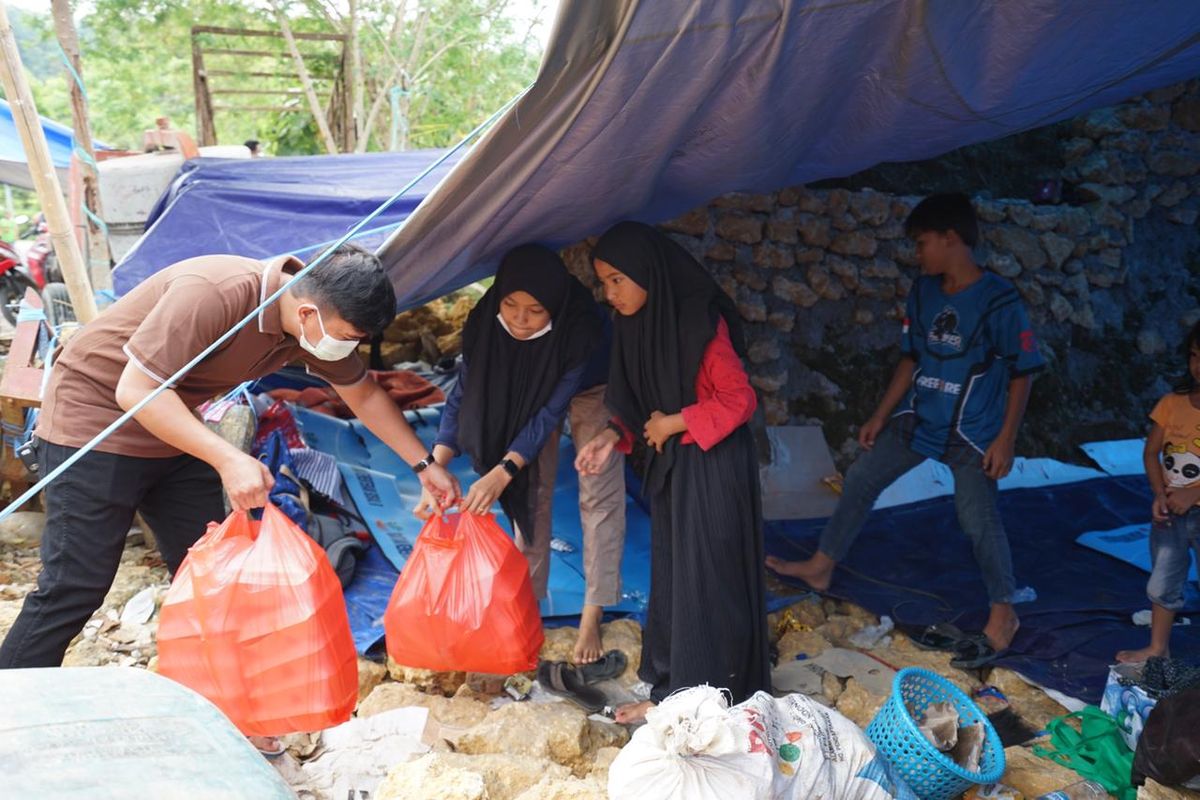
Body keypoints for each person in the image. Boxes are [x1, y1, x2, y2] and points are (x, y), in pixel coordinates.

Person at [0, 244, 460, 749]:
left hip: (172, 426)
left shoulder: (308, 324)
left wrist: (424, 465)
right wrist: (227, 458)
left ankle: (230, 713)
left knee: (214, 576)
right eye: (348, 338)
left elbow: (365, 394)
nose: (345, 348)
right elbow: (135, 391)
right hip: (94, 421)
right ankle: (11, 710)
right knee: (76, 584)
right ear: (308, 312)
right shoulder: (214, 293)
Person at [766, 193, 1045, 669]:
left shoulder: (999, 300)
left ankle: (1004, 612)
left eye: (922, 243)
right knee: (861, 477)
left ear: (952, 239)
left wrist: (1006, 438)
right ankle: (821, 566)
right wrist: (880, 414)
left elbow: (1024, 371)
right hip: (920, 417)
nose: (917, 253)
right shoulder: (924, 291)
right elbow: (911, 358)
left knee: (976, 517)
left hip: (974, 431)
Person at [575, 221, 770, 723]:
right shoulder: (637, 324)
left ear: (648, 274)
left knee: (706, 580)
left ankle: (696, 698)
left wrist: (676, 421)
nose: (609, 293)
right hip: (678, 465)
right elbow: (640, 406)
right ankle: (672, 685)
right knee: (677, 578)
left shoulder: (697, 322)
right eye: (604, 282)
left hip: (714, 466)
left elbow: (739, 399)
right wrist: (608, 439)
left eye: (618, 279)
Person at [416, 244, 626, 664]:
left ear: (553, 305)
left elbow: (550, 411)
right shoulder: (485, 322)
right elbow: (464, 395)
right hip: (525, 384)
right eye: (510, 305)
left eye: (534, 310)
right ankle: (526, 605)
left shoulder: (579, 329)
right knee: (533, 492)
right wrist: (435, 465)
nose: (519, 319)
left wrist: (503, 469)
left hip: (589, 383)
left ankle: (592, 613)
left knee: (596, 489)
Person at [1117, 321, 1200, 663]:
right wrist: (1159, 493)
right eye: (1194, 355)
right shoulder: (1171, 403)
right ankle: (1157, 648)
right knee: (1162, 582)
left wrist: (1193, 493)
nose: (1198, 365)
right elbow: (1151, 452)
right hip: (1170, 513)